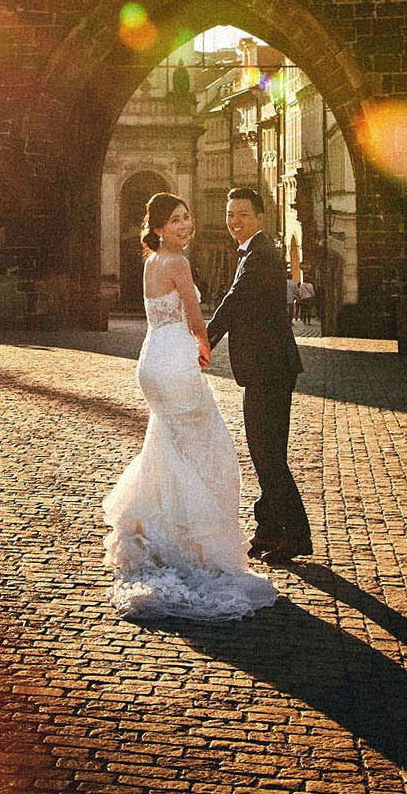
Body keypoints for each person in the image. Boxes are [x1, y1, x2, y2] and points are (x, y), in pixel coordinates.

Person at [101, 191, 279, 621]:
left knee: (169, 446)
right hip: (176, 361)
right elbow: (197, 319)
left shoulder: (149, 261)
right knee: (207, 448)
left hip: (152, 360)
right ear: (159, 227)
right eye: (176, 220)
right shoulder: (177, 262)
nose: (185, 226)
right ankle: (193, 542)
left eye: (187, 218)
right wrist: (203, 347)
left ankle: (162, 533)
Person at [207, 187, 313, 561]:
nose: (235, 221)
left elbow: (234, 301)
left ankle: (296, 536)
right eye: (230, 214)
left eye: (243, 215)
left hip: (269, 367)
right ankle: (268, 529)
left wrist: (205, 341)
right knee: (268, 452)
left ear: (260, 217)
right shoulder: (256, 251)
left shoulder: (260, 254)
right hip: (271, 366)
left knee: (266, 453)